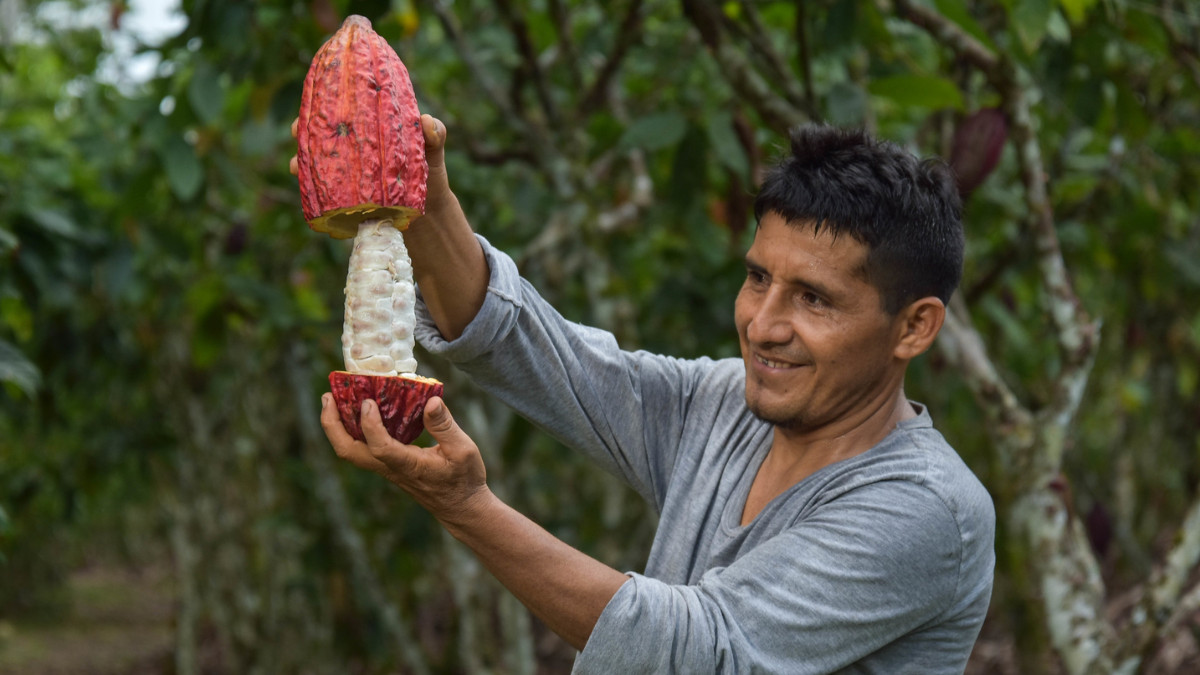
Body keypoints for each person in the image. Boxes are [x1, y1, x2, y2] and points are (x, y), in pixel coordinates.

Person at [315, 115, 996, 673]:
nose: (762, 325)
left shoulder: (930, 509)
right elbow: (537, 352)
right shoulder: (725, 402)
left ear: (915, 326)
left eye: (813, 298)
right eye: (758, 278)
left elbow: (705, 651)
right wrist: (426, 198)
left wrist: (467, 509)